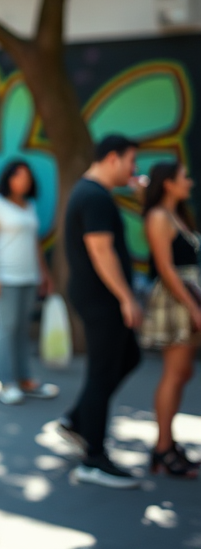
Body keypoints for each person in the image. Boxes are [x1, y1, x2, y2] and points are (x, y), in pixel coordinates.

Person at [62, 135, 143, 489]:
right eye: (131, 161)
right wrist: (127, 297)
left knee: (128, 357)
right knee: (102, 372)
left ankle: (79, 420)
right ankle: (93, 458)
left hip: (97, 298)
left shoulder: (90, 192)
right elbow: (101, 252)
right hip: (102, 300)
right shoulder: (94, 196)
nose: (134, 170)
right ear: (113, 158)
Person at [0, 160, 58, 405]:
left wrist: (44, 274)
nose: (23, 181)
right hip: (5, 277)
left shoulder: (30, 206)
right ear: (8, 178)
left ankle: (25, 379)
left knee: (23, 329)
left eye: (27, 177)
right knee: (7, 328)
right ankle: (6, 383)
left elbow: (34, 243)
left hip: (29, 277)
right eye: (18, 176)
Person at [140, 160, 200, 477]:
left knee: (182, 372)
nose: (189, 181)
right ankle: (163, 448)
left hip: (185, 296)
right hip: (176, 299)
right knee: (174, 374)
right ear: (168, 183)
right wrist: (193, 307)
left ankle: (167, 444)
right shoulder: (159, 216)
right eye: (184, 176)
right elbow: (166, 268)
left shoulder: (175, 214)